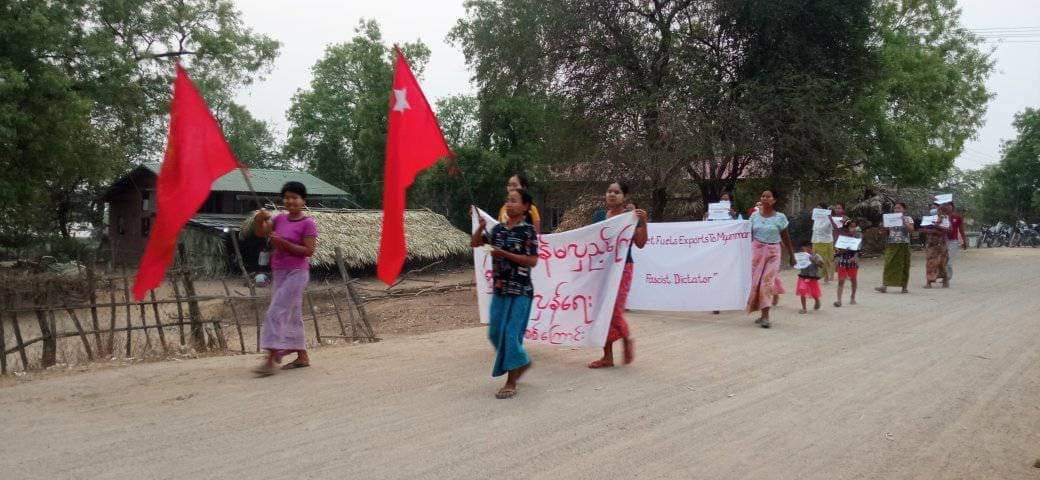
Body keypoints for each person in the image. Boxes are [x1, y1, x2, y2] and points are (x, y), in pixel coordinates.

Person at [472, 189, 539, 399]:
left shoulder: (528, 231)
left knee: (510, 334)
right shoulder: (498, 230)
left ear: (526, 207)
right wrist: (480, 228)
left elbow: (532, 261)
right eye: (507, 200)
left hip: (520, 291)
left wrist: (504, 254)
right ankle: (522, 361)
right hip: (500, 289)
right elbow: (475, 243)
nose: (508, 204)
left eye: (514, 201)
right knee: (494, 333)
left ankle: (511, 382)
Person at [252, 181, 318, 376]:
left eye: (295, 197)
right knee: (293, 314)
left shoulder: (308, 223)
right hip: (279, 271)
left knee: (276, 310)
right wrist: (259, 219)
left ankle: (271, 357)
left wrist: (283, 244)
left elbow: (309, 251)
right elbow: (260, 231)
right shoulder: (279, 219)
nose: (290, 201)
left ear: (303, 200)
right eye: (287, 197)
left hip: (297, 272)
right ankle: (302, 356)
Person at [588, 181, 648, 368]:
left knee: (614, 310)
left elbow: (640, 243)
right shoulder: (598, 216)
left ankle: (625, 337)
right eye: (609, 191)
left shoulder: (632, 217)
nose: (612, 194)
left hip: (623, 268)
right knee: (603, 311)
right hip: (603, 269)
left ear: (625, 196)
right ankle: (607, 357)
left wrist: (643, 221)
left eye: (617, 192)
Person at [747, 189, 795, 328]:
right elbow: (745, 234)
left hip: (773, 252)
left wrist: (792, 256)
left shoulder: (780, 217)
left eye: (768, 196)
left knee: (766, 283)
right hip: (756, 252)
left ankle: (766, 317)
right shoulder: (754, 217)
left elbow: (786, 237)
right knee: (756, 283)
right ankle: (762, 314)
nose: (765, 198)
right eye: (763, 196)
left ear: (774, 200)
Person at [876, 202, 915, 294]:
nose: (896, 210)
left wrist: (904, 222)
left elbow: (911, 230)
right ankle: (884, 285)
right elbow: (884, 233)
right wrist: (884, 228)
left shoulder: (908, 218)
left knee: (904, 265)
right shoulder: (890, 219)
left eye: (899, 208)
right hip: (892, 243)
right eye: (895, 208)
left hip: (903, 244)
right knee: (888, 263)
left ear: (904, 210)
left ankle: (904, 287)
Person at [833, 219, 862, 307]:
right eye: (851, 226)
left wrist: (855, 257)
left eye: (854, 226)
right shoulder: (841, 237)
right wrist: (838, 256)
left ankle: (852, 297)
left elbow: (860, 250)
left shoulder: (858, 236)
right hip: (843, 260)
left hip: (853, 261)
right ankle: (839, 300)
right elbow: (837, 250)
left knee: (853, 279)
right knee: (841, 280)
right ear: (847, 227)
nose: (853, 228)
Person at [923, 203, 951, 289]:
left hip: (941, 243)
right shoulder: (928, 219)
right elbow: (924, 229)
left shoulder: (945, 218)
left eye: (935, 207)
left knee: (942, 263)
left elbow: (949, 229)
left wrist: (937, 227)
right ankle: (929, 281)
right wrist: (929, 231)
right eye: (931, 208)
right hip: (931, 243)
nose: (933, 209)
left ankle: (945, 279)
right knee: (930, 262)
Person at [811, 202, 836, 283]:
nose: (818, 210)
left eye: (820, 208)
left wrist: (830, 217)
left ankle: (826, 276)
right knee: (815, 259)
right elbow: (815, 230)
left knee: (825, 260)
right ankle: (817, 275)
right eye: (817, 208)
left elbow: (834, 227)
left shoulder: (829, 219)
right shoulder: (816, 218)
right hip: (815, 241)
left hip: (826, 242)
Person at [795, 241, 823, 314]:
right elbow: (796, 264)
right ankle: (804, 308)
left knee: (814, 292)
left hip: (813, 277)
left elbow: (821, 265)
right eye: (803, 248)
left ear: (811, 248)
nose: (805, 249)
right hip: (803, 276)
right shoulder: (801, 256)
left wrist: (813, 260)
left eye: (808, 248)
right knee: (802, 290)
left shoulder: (816, 256)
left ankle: (817, 300)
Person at [943, 202, 966, 284]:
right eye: (946, 206)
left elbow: (961, 229)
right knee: (943, 260)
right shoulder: (941, 217)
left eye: (949, 206)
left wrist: (964, 240)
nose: (947, 207)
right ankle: (944, 276)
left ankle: (947, 277)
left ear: (953, 207)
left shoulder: (957, 217)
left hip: (953, 241)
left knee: (949, 260)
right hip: (943, 241)